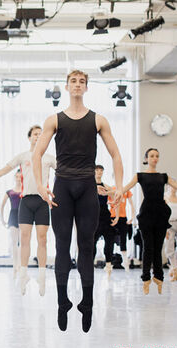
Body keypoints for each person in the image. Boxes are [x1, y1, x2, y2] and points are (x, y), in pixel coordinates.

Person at [32, 70, 124, 333]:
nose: (77, 85)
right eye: (73, 81)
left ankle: (88, 303)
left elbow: (116, 154)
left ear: (86, 87)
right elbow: (37, 154)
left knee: (86, 246)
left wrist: (117, 184)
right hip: (62, 185)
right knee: (62, 246)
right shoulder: (54, 120)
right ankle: (62, 302)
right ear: (66, 86)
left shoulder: (98, 120)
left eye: (81, 81)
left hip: (87, 187)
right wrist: (40, 185)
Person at [0, 125, 56, 296]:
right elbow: (2, 171)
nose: (38, 137)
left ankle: (41, 275)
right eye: (34, 134)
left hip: (42, 202)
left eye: (41, 135)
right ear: (29, 137)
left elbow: (67, 173)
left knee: (42, 240)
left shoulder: (49, 158)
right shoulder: (23, 156)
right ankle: (23, 274)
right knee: (24, 240)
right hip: (26, 201)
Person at [121, 148, 177, 295]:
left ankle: (159, 278)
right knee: (148, 248)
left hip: (161, 214)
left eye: (157, 156)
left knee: (158, 249)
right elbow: (123, 189)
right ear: (146, 158)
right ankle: (145, 279)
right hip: (146, 214)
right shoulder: (140, 176)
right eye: (152, 156)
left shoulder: (164, 177)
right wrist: (110, 192)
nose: (155, 158)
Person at [93, 165, 117, 279]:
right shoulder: (89, 186)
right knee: (92, 242)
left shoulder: (106, 186)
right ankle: (89, 265)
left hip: (105, 216)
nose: (99, 172)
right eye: (97, 170)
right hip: (93, 216)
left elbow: (115, 197)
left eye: (101, 170)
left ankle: (108, 265)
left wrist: (116, 215)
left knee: (109, 241)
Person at [0, 171, 22, 279]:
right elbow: (2, 205)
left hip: (23, 216)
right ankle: (15, 264)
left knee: (22, 242)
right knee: (14, 242)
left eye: (20, 177)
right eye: (16, 177)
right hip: (13, 216)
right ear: (14, 178)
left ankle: (22, 264)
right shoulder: (9, 192)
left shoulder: (25, 190)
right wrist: (2, 219)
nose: (18, 179)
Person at [109, 183, 135, 272]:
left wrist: (132, 216)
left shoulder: (126, 190)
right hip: (112, 216)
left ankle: (125, 262)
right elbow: (107, 202)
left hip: (123, 218)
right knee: (110, 240)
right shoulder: (111, 189)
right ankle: (109, 262)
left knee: (123, 239)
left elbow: (131, 204)